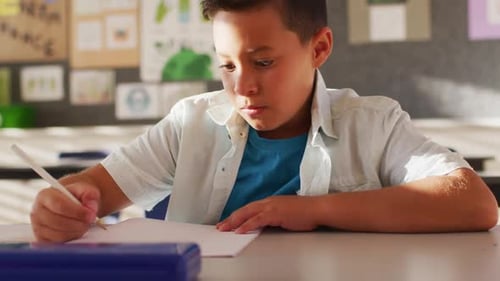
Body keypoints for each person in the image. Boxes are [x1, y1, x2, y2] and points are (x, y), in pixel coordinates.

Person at [30, 0, 498, 242]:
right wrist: (65, 202)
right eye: (228, 65)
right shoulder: (189, 123)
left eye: (264, 63)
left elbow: (474, 204)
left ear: (318, 48)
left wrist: (311, 209)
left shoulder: (372, 123)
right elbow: (91, 188)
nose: (243, 87)